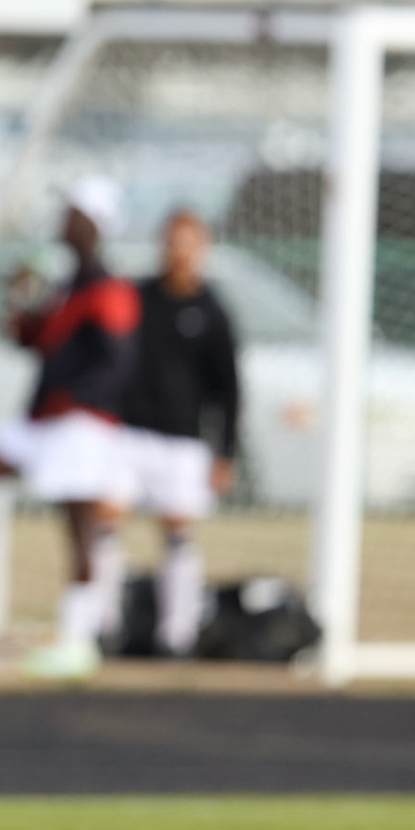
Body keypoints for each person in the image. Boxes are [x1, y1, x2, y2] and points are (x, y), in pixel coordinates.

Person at [0, 178, 139, 680]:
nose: (64, 221)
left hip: (79, 424)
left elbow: (118, 363)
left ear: (94, 225)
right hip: (42, 422)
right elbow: (35, 342)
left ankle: (79, 641)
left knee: (79, 528)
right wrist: (20, 302)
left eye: (74, 213)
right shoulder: (68, 285)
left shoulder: (109, 289)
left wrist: (77, 401)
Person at [113, 210, 241, 655]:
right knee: (105, 523)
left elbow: (229, 388)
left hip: (183, 441)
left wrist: (226, 451)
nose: (178, 251)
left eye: (188, 242)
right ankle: (103, 627)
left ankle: (177, 637)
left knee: (178, 533)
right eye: (172, 241)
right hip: (128, 435)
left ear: (202, 248)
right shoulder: (137, 298)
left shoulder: (212, 311)